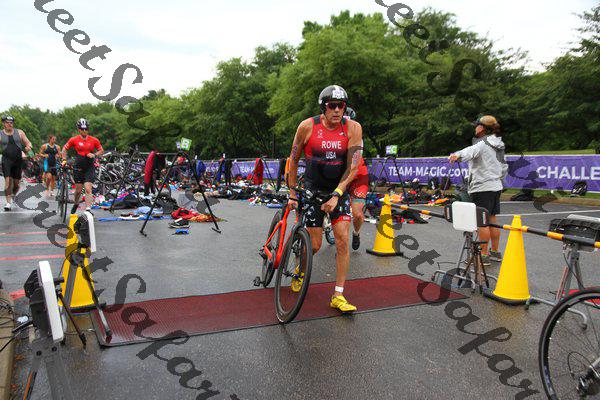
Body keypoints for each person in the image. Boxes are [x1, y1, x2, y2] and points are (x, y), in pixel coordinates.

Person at [287, 85, 363, 313]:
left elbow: (353, 166)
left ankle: (338, 295)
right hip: (313, 190)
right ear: (324, 107)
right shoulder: (307, 126)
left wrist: (338, 194)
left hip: (338, 190)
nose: (337, 110)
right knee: (315, 245)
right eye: (332, 106)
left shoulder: (353, 128)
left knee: (342, 241)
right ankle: (300, 270)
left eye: (341, 106)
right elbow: (293, 160)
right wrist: (292, 193)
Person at [449, 115, 508, 266]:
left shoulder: (482, 144)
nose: (475, 128)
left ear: (482, 128)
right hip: (496, 186)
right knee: (492, 219)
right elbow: (504, 167)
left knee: (482, 222)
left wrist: (456, 155)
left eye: (477, 125)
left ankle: (484, 255)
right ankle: (495, 252)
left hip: (482, 188)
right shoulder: (499, 144)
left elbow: (469, 152)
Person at [62, 118, 103, 213]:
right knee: (78, 190)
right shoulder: (74, 139)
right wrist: (64, 160)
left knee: (88, 188)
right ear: (79, 129)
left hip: (89, 166)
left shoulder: (94, 140)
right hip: (78, 166)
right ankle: (76, 203)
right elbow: (64, 149)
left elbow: (101, 150)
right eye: (82, 129)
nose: (84, 131)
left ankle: (88, 209)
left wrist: (94, 154)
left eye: (86, 129)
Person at [344, 107, 368, 250]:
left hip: (358, 177)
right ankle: (342, 245)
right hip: (340, 176)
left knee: (357, 214)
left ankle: (356, 232)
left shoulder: (357, 136)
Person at [1, 115, 33, 211]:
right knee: (8, 181)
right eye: (7, 123)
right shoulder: (1, 134)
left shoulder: (19, 132)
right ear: (3, 123)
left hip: (18, 160)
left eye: (11, 123)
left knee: (16, 184)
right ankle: (8, 203)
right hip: (6, 160)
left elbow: (28, 142)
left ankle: (14, 195)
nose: (9, 124)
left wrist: (28, 147)